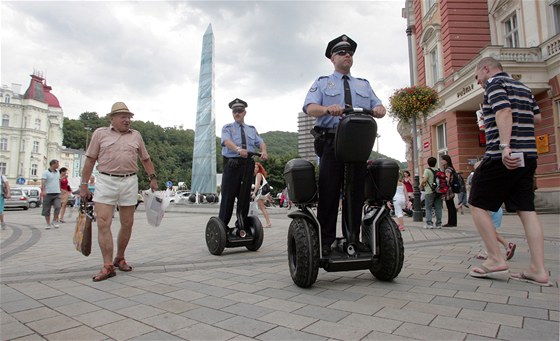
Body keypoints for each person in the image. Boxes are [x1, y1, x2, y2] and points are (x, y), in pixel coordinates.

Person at [468, 56, 550, 286]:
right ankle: (538, 270)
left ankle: (495, 258)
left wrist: (505, 147)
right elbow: (537, 117)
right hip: (529, 155)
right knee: (527, 210)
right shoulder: (523, 86)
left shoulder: (495, 84)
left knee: (476, 203)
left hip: (502, 155)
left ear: (486, 69)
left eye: (477, 77)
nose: (478, 82)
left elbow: (503, 111)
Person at [303, 34, 386, 255]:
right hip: (331, 142)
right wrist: (327, 109)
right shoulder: (322, 83)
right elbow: (309, 107)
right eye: (341, 52)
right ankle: (326, 241)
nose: (347, 55)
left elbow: (379, 107)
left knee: (355, 193)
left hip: (358, 144)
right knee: (329, 192)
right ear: (332, 58)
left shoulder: (363, 84)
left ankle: (353, 238)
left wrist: (380, 109)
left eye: (349, 52)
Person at [80, 102, 158, 282]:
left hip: (130, 181)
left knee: (127, 223)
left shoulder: (136, 136)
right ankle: (107, 265)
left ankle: (119, 257)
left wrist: (152, 178)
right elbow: (90, 160)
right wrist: (84, 185)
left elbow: (145, 159)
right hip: (106, 180)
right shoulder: (100, 134)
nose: (127, 120)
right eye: (123, 116)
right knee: (103, 222)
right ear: (112, 119)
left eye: (129, 117)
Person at [218, 98, 268, 228]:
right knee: (228, 197)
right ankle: (222, 226)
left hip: (247, 166)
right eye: (235, 111)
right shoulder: (227, 128)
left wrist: (263, 151)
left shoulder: (251, 129)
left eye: (239, 111)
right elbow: (226, 142)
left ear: (244, 112)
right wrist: (238, 149)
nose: (237, 113)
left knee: (244, 198)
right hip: (232, 164)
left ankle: (241, 225)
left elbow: (260, 142)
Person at [420, 157, 443, 229]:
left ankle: (429, 224)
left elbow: (424, 180)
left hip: (429, 191)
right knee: (438, 208)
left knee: (428, 208)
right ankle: (438, 224)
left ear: (428, 163)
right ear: (435, 162)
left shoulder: (427, 170)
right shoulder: (438, 170)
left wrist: (421, 186)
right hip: (439, 191)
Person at [41, 159, 61, 230]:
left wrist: (60, 189)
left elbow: (58, 181)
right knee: (47, 209)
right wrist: (43, 190)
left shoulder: (58, 172)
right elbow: (43, 182)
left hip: (57, 193)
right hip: (48, 193)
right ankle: (48, 223)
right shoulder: (46, 172)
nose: (58, 165)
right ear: (53, 164)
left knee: (58, 207)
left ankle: (54, 220)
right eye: (57, 164)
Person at [252, 162, 272, 228]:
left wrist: (254, 192)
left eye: (257, 167)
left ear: (259, 168)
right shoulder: (257, 174)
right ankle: (268, 222)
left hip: (260, 193)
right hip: (262, 193)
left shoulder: (258, 174)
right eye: (254, 167)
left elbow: (257, 185)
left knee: (262, 208)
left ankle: (268, 223)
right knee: (262, 207)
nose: (255, 168)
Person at [440, 155, 457, 227]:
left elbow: (447, 179)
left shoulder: (447, 169)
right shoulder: (451, 168)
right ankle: (453, 222)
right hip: (451, 189)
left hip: (448, 189)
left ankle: (451, 222)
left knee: (450, 206)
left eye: (442, 160)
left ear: (446, 161)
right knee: (451, 206)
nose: (441, 161)